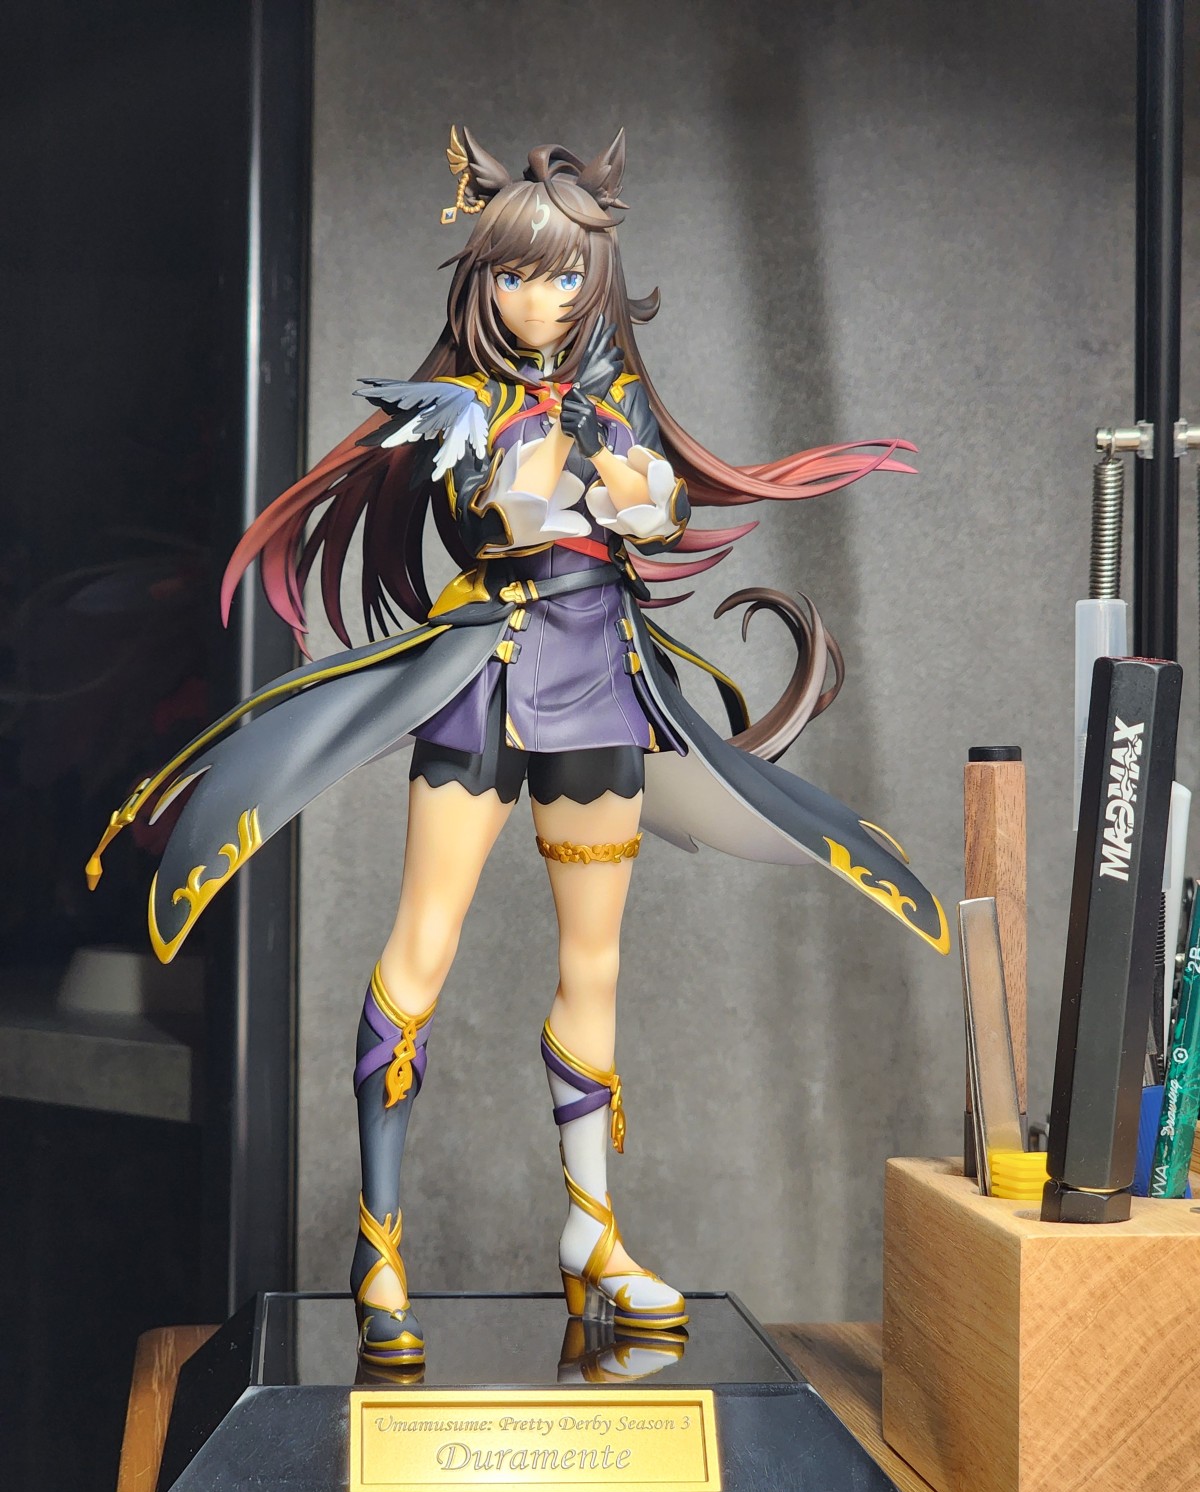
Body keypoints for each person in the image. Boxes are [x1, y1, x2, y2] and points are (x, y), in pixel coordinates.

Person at [87, 128, 947, 1368]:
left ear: (597, 278)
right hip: (487, 679)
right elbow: (487, 510)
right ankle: (379, 1244)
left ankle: (592, 1232)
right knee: (422, 946)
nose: (538, 299)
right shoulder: (464, 404)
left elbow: (657, 507)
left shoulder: (618, 400)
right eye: (512, 275)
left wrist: (635, 496)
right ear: (482, 282)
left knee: (594, 964)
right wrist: (543, 493)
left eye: (561, 275)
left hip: (601, 682)